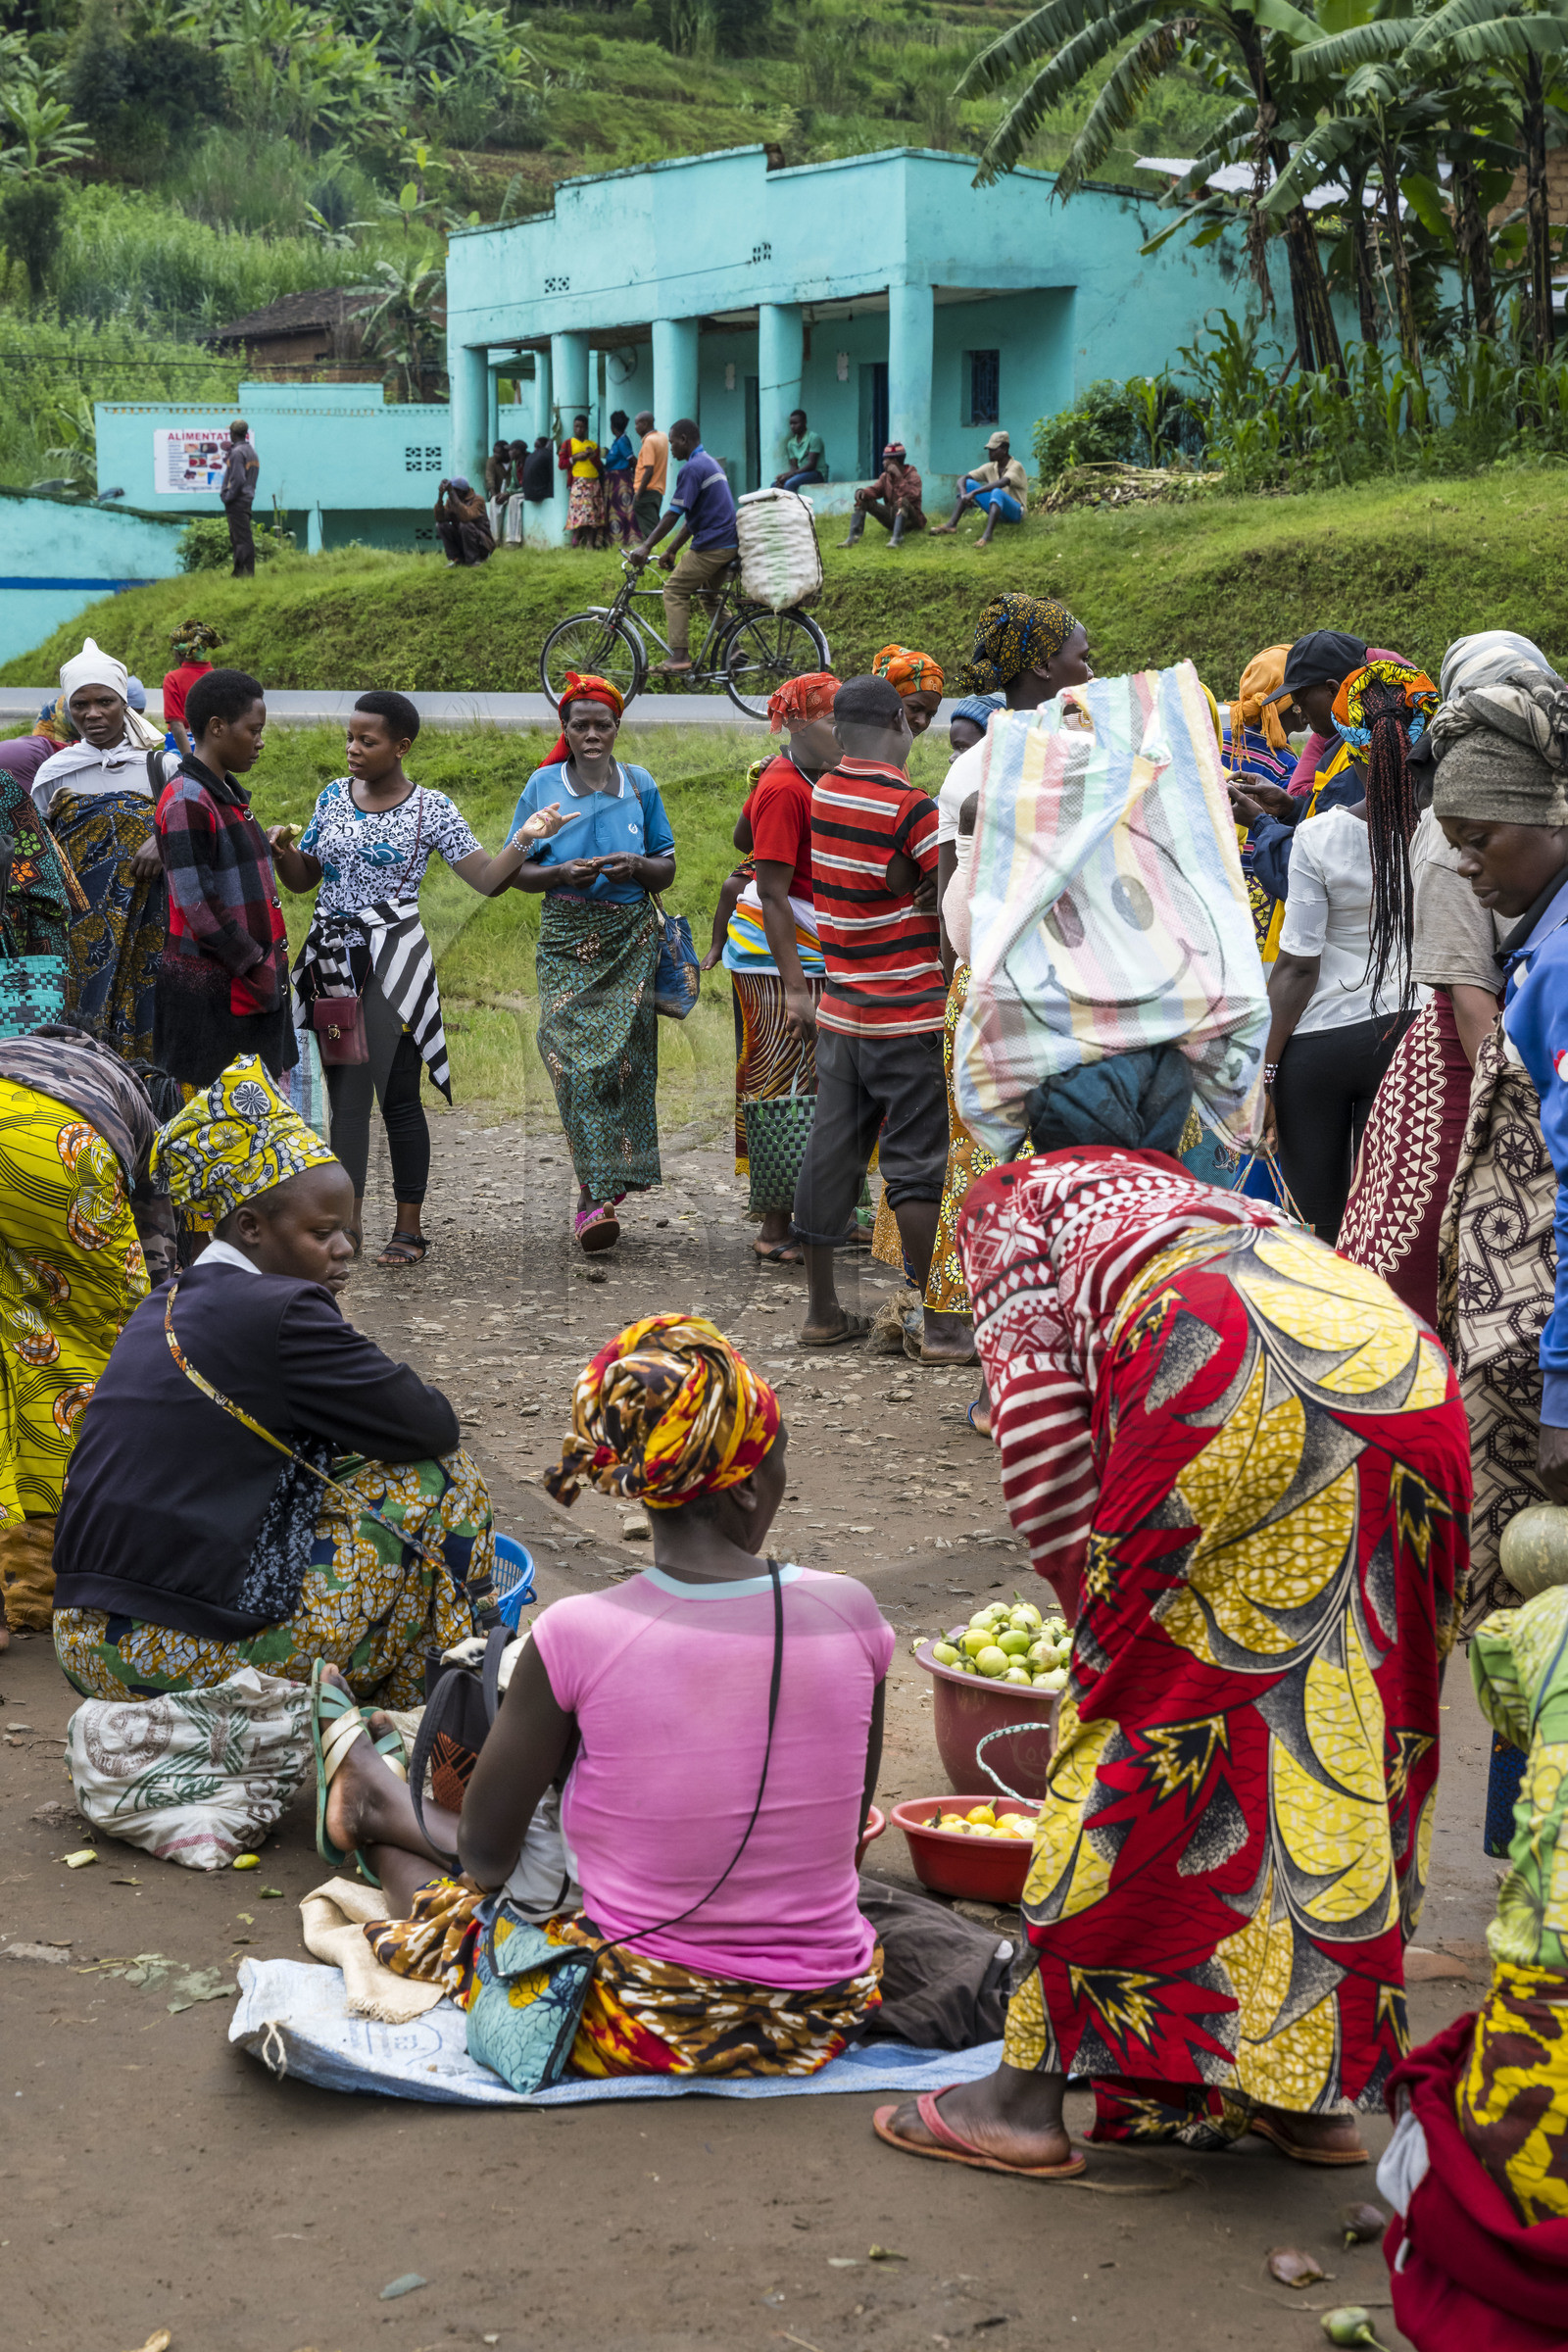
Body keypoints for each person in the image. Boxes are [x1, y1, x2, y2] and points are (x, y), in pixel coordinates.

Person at [873, 1046, 1469, 2179]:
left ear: (1029, 1133)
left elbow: (1045, 1452)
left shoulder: (1012, 1199)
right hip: (1405, 1370)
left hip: (1227, 1361)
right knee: (1344, 1716)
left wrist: (1095, 1637)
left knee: (1140, 1732)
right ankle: (1308, 2093)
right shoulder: (1212, 1200)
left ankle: (1022, 2100)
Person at [317, 1313, 893, 2080]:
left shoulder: (577, 1634)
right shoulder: (853, 1612)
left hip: (636, 2022)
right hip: (821, 2015)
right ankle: (380, 1804)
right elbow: (848, 1822)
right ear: (750, 1485)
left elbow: (487, 1859)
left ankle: (383, 1818)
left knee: (463, 1918)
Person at [51, 1058, 496, 1704]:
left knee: (338, 1473)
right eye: (322, 1233)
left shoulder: (164, 1304)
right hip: (168, 1647)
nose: (344, 1249)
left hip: (82, 1642)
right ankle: (442, 1718)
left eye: (347, 1231)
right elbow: (429, 1422)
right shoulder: (282, 1311)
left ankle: (393, 1711)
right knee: (444, 1481)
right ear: (252, 1228)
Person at [274, 691, 569, 1266]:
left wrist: (527, 837)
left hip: (392, 963)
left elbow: (486, 879)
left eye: (368, 740)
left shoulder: (430, 809)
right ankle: (347, 1224)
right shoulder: (334, 795)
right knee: (345, 1098)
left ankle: (408, 1228)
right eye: (350, 738)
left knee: (398, 1096)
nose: (353, 749)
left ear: (401, 746)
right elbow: (306, 879)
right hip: (332, 961)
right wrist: (283, 852)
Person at [1340, 629, 1553, 1325]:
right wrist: (1525, 1123)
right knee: (1440, 1281)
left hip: (1518, 1054)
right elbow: (1469, 997)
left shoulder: (1529, 818)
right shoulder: (1455, 838)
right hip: (1468, 1081)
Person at [923, 605, 1094, 1398]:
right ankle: (1011, 1358)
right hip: (1029, 985)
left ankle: (994, 1351)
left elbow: (953, 891)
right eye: (1078, 658)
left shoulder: (998, 754)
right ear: (1039, 670)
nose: (1090, 670)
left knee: (991, 1160)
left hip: (991, 978)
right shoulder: (1037, 757)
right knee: (1028, 1164)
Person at [1433, 668, 1568, 1650]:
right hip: (1524, 1355)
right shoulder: (1543, 945)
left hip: (1537, 1372)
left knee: (1531, 1648)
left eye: (1481, 841)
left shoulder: (1561, 964)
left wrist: (1562, 1391)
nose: (1471, 869)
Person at [791, 675, 952, 1350]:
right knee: (917, 1164)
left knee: (832, 1155)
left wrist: (901, 884)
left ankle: (822, 1313)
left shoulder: (825, 791)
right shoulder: (913, 807)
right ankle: (940, 1324)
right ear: (898, 721)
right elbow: (946, 905)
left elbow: (886, 880)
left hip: (843, 1011)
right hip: (908, 1014)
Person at [1263, 661, 1437, 1243]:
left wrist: (1264, 1071)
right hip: (1416, 1040)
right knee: (1395, 1230)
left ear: (1352, 752)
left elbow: (1297, 968)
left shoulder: (1318, 837)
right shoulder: (1450, 830)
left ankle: (1315, 1330)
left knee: (1315, 1228)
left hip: (1318, 1049)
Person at [0, 1026, 162, 1644]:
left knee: (20, 1353)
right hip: (55, 1148)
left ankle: (19, 1589)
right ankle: (71, 1581)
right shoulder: (139, 1118)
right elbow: (156, 1257)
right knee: (118, 1352)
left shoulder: (28, 1053)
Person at [507, 673, 676, 1250]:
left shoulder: (641, 784)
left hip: (629, 938)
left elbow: (667, 866)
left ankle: (599, 1189)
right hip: (565, 937)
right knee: (569, 1058)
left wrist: (636, 864)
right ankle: (593, 1187)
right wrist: (557, 873)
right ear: (566, 729)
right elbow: (516, 870)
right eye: (580, 724)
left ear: (617, 727)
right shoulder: (542, 787)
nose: (592, 734)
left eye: (603, 723)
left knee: (623, 1061)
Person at [721, 672, 839, 1264]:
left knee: (810, 1076)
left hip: (805, 942)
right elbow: (770, 891)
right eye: (831, 720)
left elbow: (742, 833)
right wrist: (795, 989)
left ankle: (806, 1208)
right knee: (778, 1076)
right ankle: (772, 1225)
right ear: (798, 723)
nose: (843, 730)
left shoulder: (801, 775)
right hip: (777, 953)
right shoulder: (788, 788)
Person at [31, 636, 178, 1064]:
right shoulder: (54, 774)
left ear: (124, 704)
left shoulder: (161, 768)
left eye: (104, 702)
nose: (92, 714)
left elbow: (202, 831)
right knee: (82, 1023)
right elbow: (38, 851)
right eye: (80, 704)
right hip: (80, 929)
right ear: (67, 708)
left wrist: (164, 837)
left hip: (152, 921)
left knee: (149, 1016)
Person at [153, 667, 294, 1091]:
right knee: (217, 1124)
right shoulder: (186, 799)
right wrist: (254, 962)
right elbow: (197, 903)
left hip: (242, 989)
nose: (260, 741)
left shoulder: (225, 795)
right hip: (215, 997)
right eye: (253, 730)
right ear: (216, 727)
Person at [629, 418, 739, 678]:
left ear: (684, 440)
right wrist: (671, 549)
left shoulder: (692, 468)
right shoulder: (709, 463)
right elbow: (693, 518)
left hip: (712, 546)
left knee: (674, 589)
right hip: (727, 544)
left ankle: (679, 656)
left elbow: (673, 514)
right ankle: (735, 648)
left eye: (672, 442)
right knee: (708, 596)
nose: (671, 448)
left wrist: (646, 546)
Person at [930, 430, 1028, 545]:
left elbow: (1002, 483)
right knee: (968, 483)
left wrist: (974, 493)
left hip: (1016, 513)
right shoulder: (990, 467)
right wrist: (964, 495)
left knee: (996, 491)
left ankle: (987, 535)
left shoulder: (1016, 466)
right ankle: (951, 525)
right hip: (1000, 513)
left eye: (993, 450)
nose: (990, 453)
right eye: (989, 450)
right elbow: (963, 479)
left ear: (1005, 450)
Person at [840, 442, 924, 549]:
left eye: (886, 460)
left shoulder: (913, 476)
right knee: (863, 500)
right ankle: (853, 537)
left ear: (895, 462)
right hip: (892, 518)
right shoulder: (885, 477)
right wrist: (863, 492)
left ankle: (896, 538)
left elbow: (912, 495)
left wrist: (898, 477)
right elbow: (875, 490)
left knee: (903, 501)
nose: (883, 463)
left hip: (911, 521)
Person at [161, 619, 222, 762]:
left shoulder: (172, 678)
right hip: (214, 746)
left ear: (181, 652)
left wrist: (190, 761)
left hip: (181, 748)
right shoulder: (217, 677)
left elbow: (177, 725)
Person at [869, 643, 944, 738]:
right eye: (915, 708)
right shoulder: (855, 747)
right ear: (886, 699)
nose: (922, 722)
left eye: (930, 715)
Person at [559, 414, 605, 549]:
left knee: (591, 514)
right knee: (582, 513)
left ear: (586, 428)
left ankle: (587, 542)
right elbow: (561, 464)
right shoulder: (568, 443)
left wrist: (593, 455)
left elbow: (599, 465)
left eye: (581, 427)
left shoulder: (592, 444)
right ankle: (580, 540)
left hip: (593, 482)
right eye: (576, 426)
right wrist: (575, 458)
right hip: (579, 483)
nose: (578, 429)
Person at [220, 420, 260, 578]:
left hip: (237, 500)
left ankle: (243, 573)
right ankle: (242, 572)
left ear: (233, 433)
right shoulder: (250, 451)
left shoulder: (237, 453)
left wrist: (228, 497)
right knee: (242, 536)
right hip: (246, 499)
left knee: (240, 538)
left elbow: (238, 479)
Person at [433, 477, 494, 567]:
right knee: (441, 525)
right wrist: (440, 496)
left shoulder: (478, 500)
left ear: (461, 492)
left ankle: (473, 560)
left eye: (453, 492)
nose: (450, 494)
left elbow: (466, 517)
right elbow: (440, 518)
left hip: (481, 544)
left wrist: (453, 495)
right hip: (463, 542)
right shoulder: (451, 501)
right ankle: (457, 559)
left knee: (465, 525)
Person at [603, 409, 638, 548]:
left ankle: (629, 539)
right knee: (615, 510)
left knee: (624, 510)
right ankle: (615, 540)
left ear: (612, 426)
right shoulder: (617, 441)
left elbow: (632, 460)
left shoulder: (623, 441)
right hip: (613, 482)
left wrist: (636, 474)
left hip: (621, 481)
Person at [631, 411, 667, 541]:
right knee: (656, 526)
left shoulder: (649, 442)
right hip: (658, 490)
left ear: (644, 424)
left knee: (651, 533)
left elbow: (649, 470)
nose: (635, 428)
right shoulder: (662, 437)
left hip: (646, 490)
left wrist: (638, 494)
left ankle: (657, 556)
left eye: (637, 424)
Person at [773, 409, 827, 491]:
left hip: (816, 474)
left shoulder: (814, 438)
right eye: (791, 424)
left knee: (790, 483)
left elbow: (811, 465)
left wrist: (790, 476)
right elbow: (794, 467)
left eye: (795, 423)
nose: (792, 426)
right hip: (800, 474)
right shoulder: (791, 443)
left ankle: (791, 504)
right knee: (775, 485)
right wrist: (784, 476)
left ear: (804, 422)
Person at [483, 438, 513, 542]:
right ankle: (495, 539)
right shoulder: (492, 461)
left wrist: (508, 493)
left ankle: (509, 539)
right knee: (494, 505)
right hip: (497, 492)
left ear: (505, 453)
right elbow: (489, 478)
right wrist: (494, 495)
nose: (495, 454)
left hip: (511, 492)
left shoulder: (513, 461)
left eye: (498, 452)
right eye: (494, 452)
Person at [521, 434, 555, 505]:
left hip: (527, 494)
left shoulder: (531, 455)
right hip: (539, 494)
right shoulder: (549, 455)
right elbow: (553, 477)